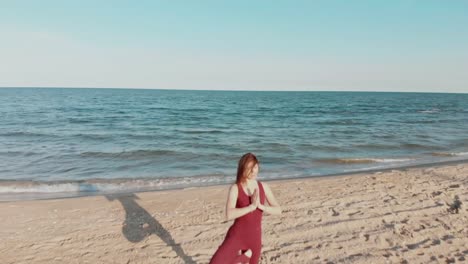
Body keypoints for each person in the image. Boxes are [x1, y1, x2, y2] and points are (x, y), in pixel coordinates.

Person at [210, 153, 282, 264]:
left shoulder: (264, 187)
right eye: (249, 168)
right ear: (242, 168)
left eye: (255, 167)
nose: (253, 171)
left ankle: (244, 257)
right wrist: (251, 207)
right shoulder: (235, 188)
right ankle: (243, 258)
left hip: (255, 238)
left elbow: (278, 210)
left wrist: (261, 207)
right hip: (237, 236)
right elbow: (229, 214)